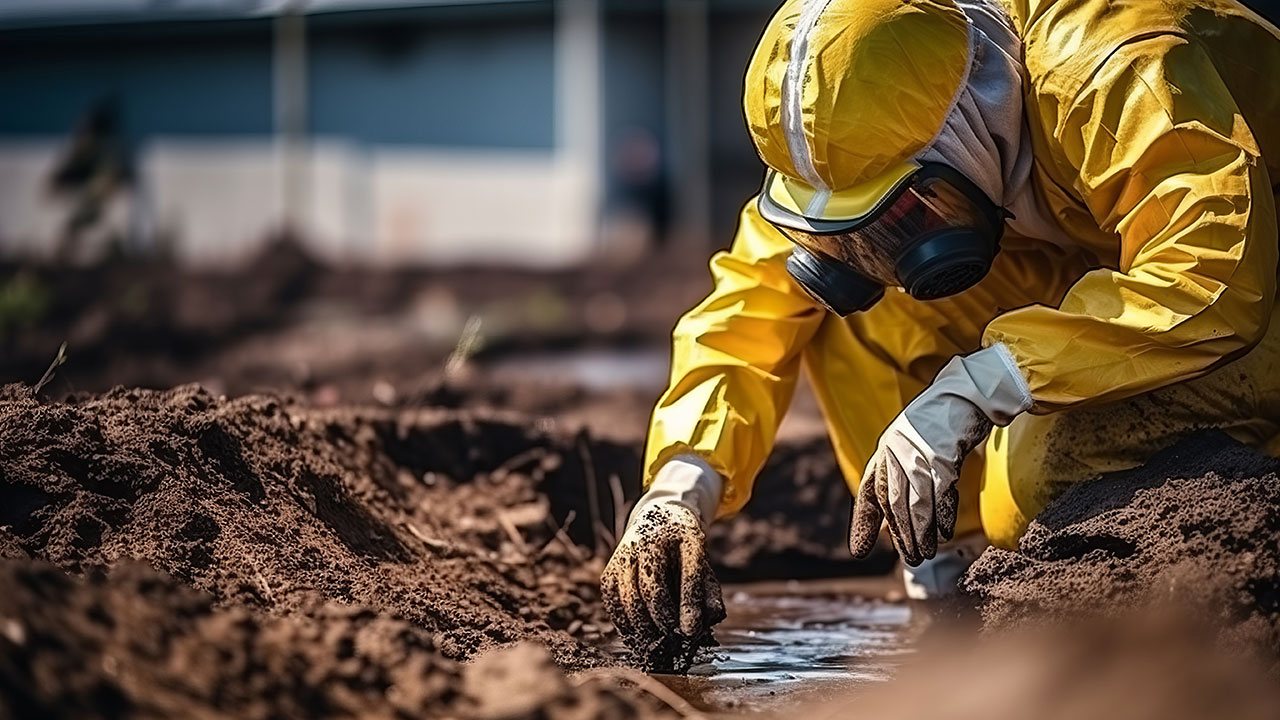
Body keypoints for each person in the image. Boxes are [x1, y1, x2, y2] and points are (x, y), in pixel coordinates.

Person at [601, 0, 1280, 646]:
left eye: (899, 221)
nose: (877, 259)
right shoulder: (850, 146)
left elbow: (1211, 270)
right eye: (845, 234)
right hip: (1089, 264)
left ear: (968, 122)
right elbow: (749, 309)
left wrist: (985, 384)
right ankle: (943, 565)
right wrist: (678, 489)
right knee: (844, 316)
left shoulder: (1114, 70)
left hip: (1249, 275)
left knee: (1034, 485)